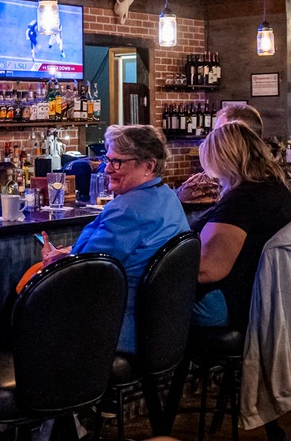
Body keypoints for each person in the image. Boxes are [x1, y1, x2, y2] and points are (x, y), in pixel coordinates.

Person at [41, 125, 187, 353]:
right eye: (107, 160)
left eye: (117, 162)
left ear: (148, 166)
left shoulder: (127, 210)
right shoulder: (167, 196)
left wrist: (59, 265)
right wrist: (71, 253)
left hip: (115, 329)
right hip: (161, 326)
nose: (107, 169)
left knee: (25, 302)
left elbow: (87, 272)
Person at [191, 122, 291, 329]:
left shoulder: (243, 200)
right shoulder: (273, 187)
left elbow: (208, 270)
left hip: (232, 304)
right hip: (264, 295)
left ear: (224, 160)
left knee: (146, 302)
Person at [177, 104, 291, 213]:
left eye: (219, 133)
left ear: (239, 135)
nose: (213, 139)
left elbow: (184, 197)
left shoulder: (235, 183)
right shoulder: (281, 173)